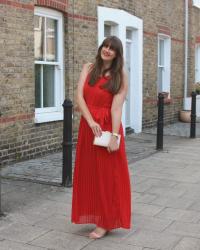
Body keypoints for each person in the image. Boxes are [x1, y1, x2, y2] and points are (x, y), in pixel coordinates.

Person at [71, 36, 131, 239]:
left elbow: (116, 108)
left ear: (117, 54)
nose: (107, 50)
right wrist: (90, 122)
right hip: (89, 127)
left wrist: (114, 136)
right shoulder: (88, 68)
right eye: (105, 46)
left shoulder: (120, 74)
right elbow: (79, 97)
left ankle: (106, 222)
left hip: (107, 128)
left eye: (112, 48)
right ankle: (97, 214)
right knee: (90, 174)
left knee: (108, 176)